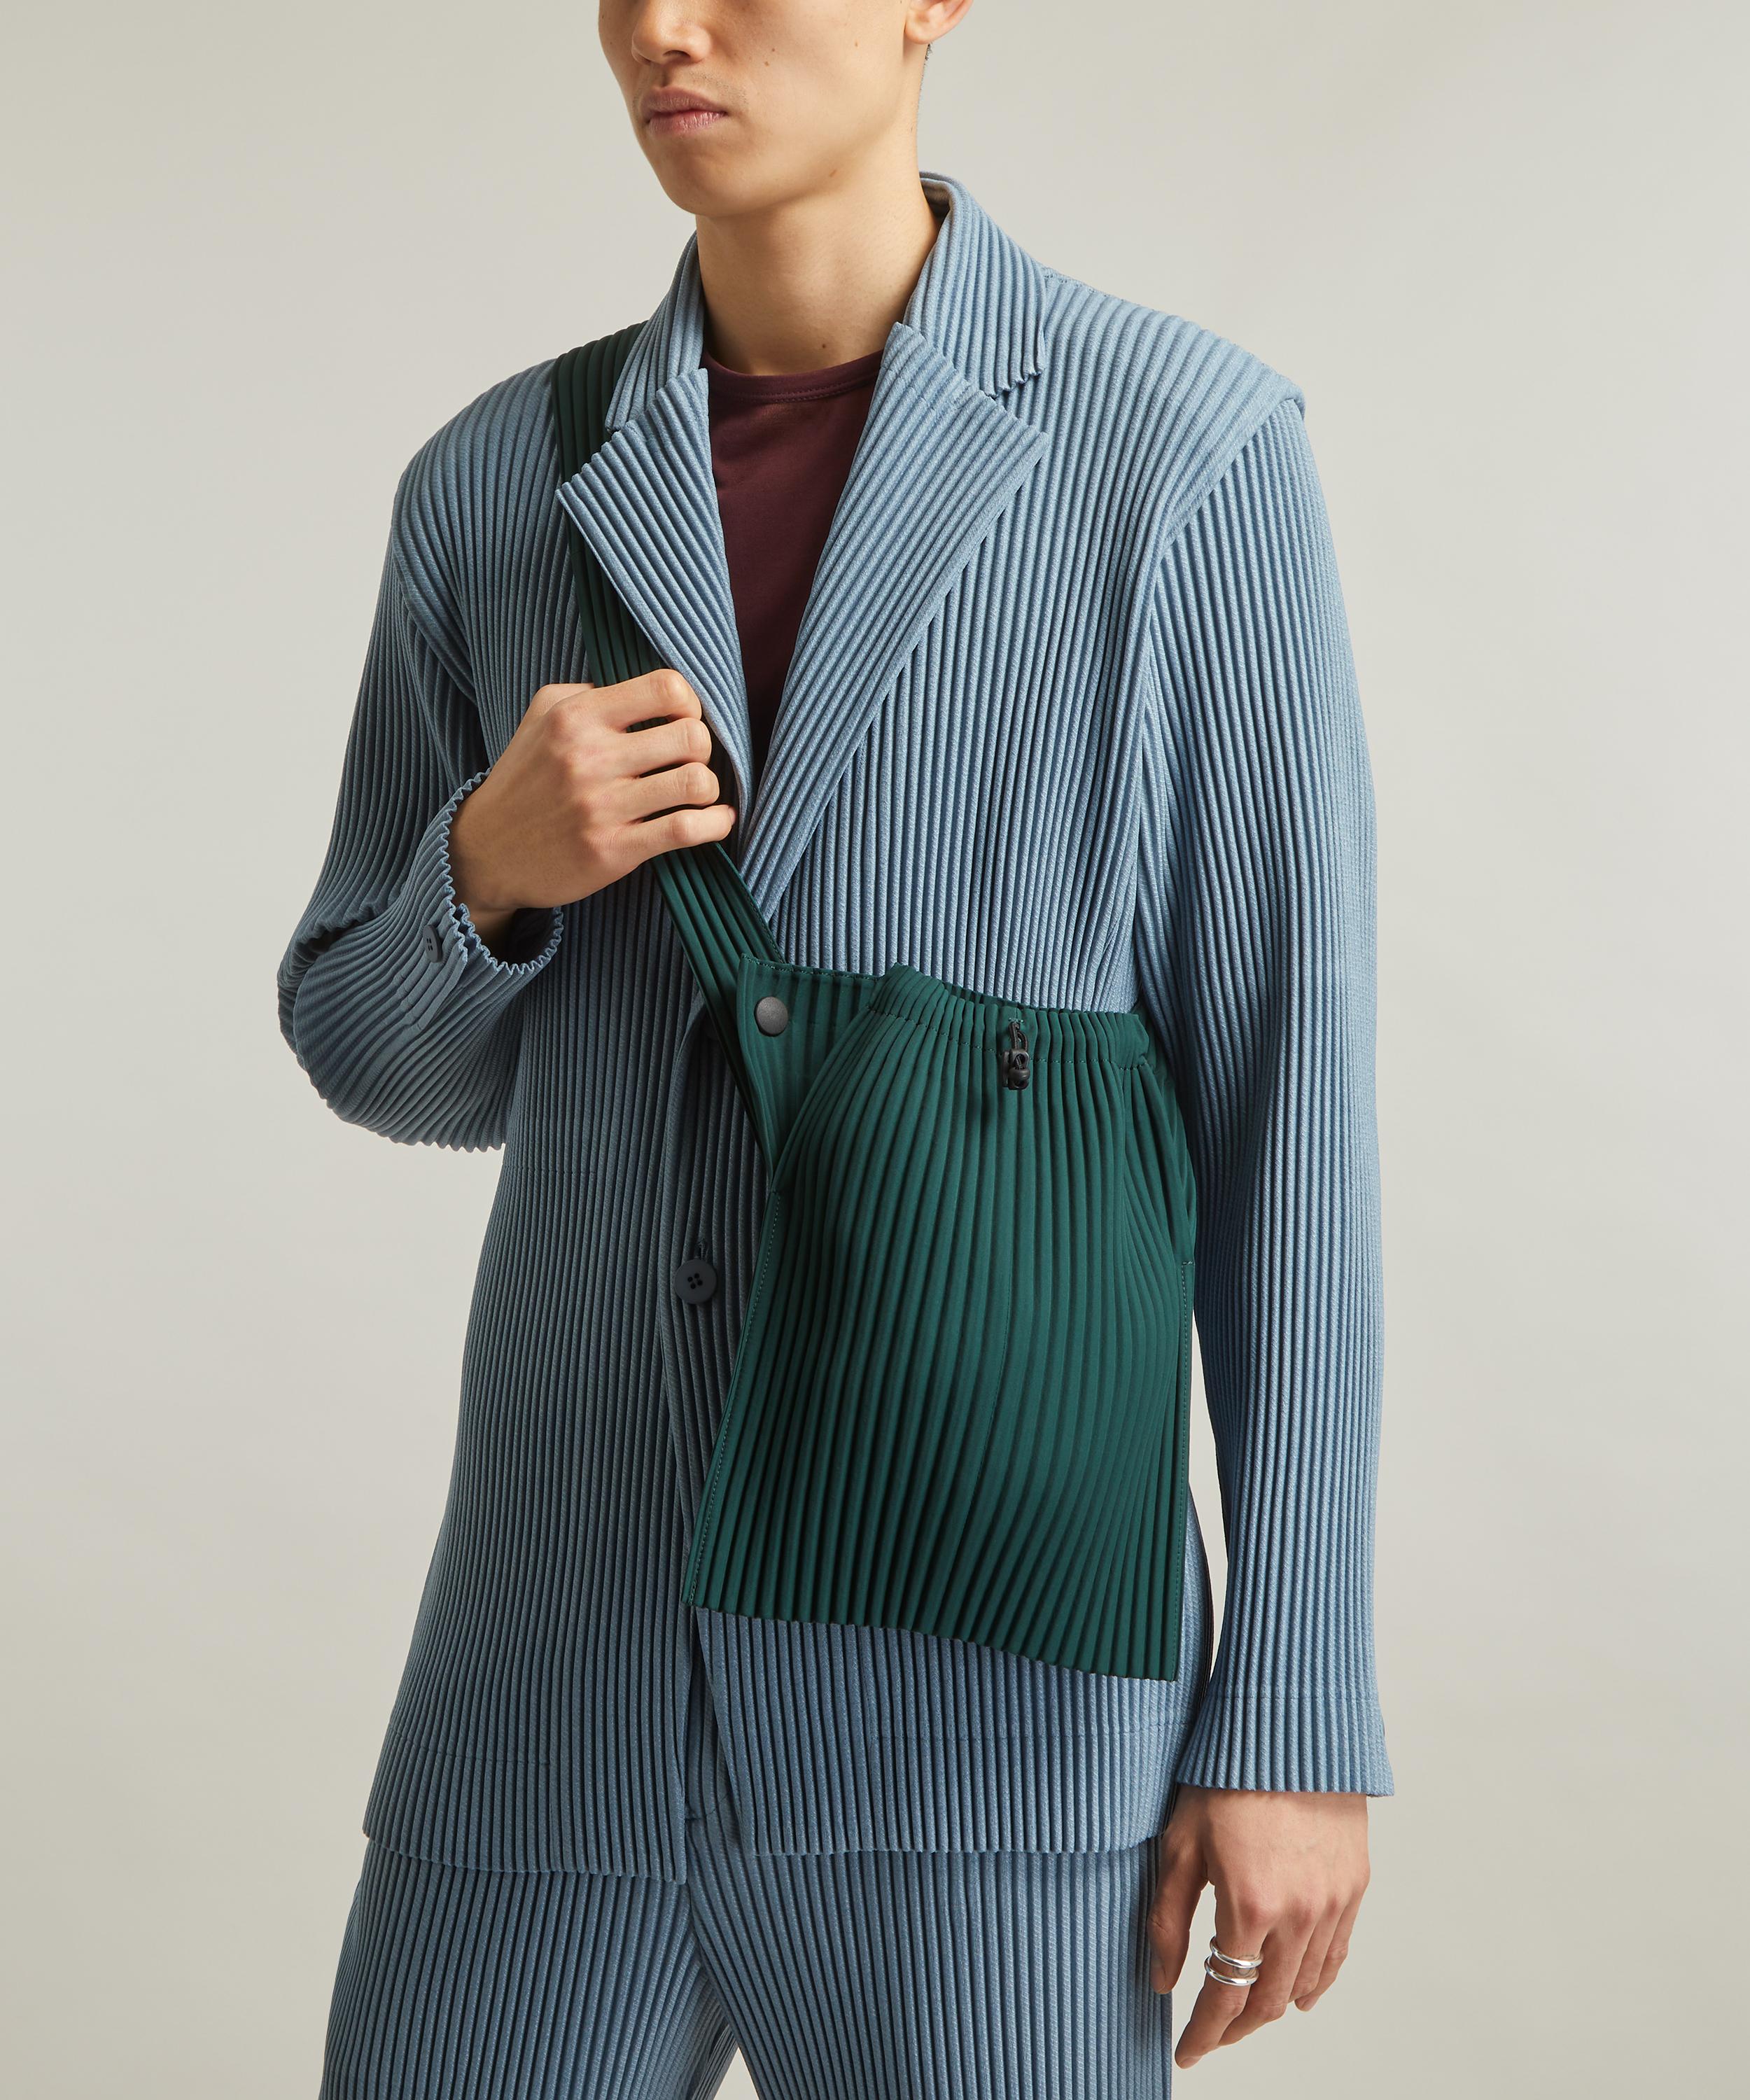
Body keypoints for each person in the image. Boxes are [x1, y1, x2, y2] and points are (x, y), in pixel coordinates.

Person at [277, 4, 1392, 2092]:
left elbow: (1286, 1122)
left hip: (997, 1746)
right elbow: (379, 1058)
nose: (661, 28)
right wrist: (487, 872)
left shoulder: (1184, 456)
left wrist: (1298, 1710)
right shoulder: (497, 485)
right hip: (552, 1714)